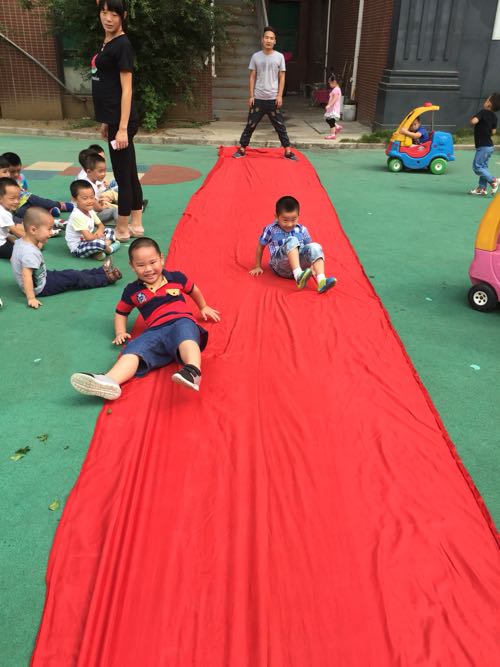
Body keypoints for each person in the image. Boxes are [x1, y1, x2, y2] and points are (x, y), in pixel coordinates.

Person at [70, 237, 220, 398]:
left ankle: (192, 371)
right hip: (154, 331)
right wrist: (120, 332)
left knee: (186, 335)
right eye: (141, 265)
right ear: (132, 266)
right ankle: (110, 380)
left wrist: (203, 306)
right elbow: (121, 312)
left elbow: (193, 289)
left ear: (161, 258)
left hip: (180, 320)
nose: (148, 269)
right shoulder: (132, 290)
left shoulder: (176, 278)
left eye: (153, 262)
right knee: (134, 348)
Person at [92, 0, 144, 241]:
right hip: (114, 119)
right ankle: (137, 223)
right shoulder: (108, 42)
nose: (108, 18)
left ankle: (122, 228)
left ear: (123, 16)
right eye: (104, 12)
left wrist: (122, 128)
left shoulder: (122, 45)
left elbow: (126, 89)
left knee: (122, 176)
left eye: (113, 13)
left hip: (123, 121)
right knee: (129, 172)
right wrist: (107, 121)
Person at [10, 207, 122, 309]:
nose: (51, 233)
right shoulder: (29, 253)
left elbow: (12, 259)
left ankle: (101, 271)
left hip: (42, 276)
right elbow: (26, 276)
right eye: (49, 229)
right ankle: (105, 278)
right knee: (74, 277)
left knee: (70, 272)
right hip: (41, 287)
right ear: (33, 230)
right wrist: (31, 298)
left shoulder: (20, 242)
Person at [233, 26, 297, 161]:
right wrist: (251, 95)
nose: (269, 40)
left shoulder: (279, 57)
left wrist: (279, 95)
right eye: (267, 37)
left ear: (275, 41)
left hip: (273, 99)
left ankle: (287, 150)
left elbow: (282, 77)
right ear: (262, 40)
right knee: (250, 124)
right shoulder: (256, 56)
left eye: (271, 38)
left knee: (280, 125)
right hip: (258, 98)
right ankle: (242, 148)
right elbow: (252, 76)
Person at [250, 195, 337, 293]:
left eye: (294, 220)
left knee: (315, 246)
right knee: (292, 240)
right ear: (276, 217)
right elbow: (260, 246)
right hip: (280, 267)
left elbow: (309, 250)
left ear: (298, 216)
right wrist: (257, 266)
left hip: (300, 266)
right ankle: (298, 275)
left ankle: (321, 281)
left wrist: (312, 267)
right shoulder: (271, 229)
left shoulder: (302, 229)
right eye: (285, 220)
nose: (289, 224)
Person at [2, 151, 73, 220]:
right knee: (24, 213)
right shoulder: (3, 183)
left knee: (41, 201)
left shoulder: (21, 177)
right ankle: (48, 211)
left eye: (18, 170)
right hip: (17, 207)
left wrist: (25, 195)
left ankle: (60, 205)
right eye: (12, 172)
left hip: (27, 198)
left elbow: (25, 188)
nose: (16, 174)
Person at [65, 180, 120, 260]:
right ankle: (109, 249)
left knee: (109, 230)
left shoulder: (90, 211)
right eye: (85, 198)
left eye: (92, 197)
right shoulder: (76, 215)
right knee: (99, 243)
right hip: (78, 247)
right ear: (74, 199)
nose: (90, 201)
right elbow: (88, 237)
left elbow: (101, 226)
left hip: (89, 241)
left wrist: (99, 232)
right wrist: (99, 237)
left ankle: (98, 252)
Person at [469, 93, 500, 196]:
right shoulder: (495, 117)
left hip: (483, 146)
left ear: (489, 104)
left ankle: (493, 180)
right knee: (483, 167)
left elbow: (474, 121)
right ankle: (482, 188)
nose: (485, 101)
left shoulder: (482, 112)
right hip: (489, 146)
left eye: (487, 100)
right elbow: (494, 132)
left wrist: (472, 119)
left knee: (477, 167)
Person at [79, 152, 118, 223]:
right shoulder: (89, 187)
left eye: (105, 170)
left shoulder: (89, 181)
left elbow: (96, 200)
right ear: (89, 171)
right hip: (91, 217)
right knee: (117, 210)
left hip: (92, 212)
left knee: (111, 195)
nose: (103, 174)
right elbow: (97, 208)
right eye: (100, 171)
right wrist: (104, 206)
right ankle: (121, 227)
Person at [0, 177, 25, 260]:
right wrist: (32, 239)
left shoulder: (3, 209)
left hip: (3, 237)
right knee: (25, 251)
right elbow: (16, 231)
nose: (16, 201)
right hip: (1, 245)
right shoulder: (3, 213)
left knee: (14, 239)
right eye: (12, 198)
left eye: (18, 198)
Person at [324, 74, 343, 140]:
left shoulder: (336, 90)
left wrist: (329, 105)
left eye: (330, 83)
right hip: (332, 108)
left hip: (333, 108)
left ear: (334, 82)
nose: (329, 85)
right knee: (328, 119)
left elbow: (335, 99)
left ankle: (333, 135)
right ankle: (337, 126)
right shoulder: (336, 89)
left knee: (331, 121)